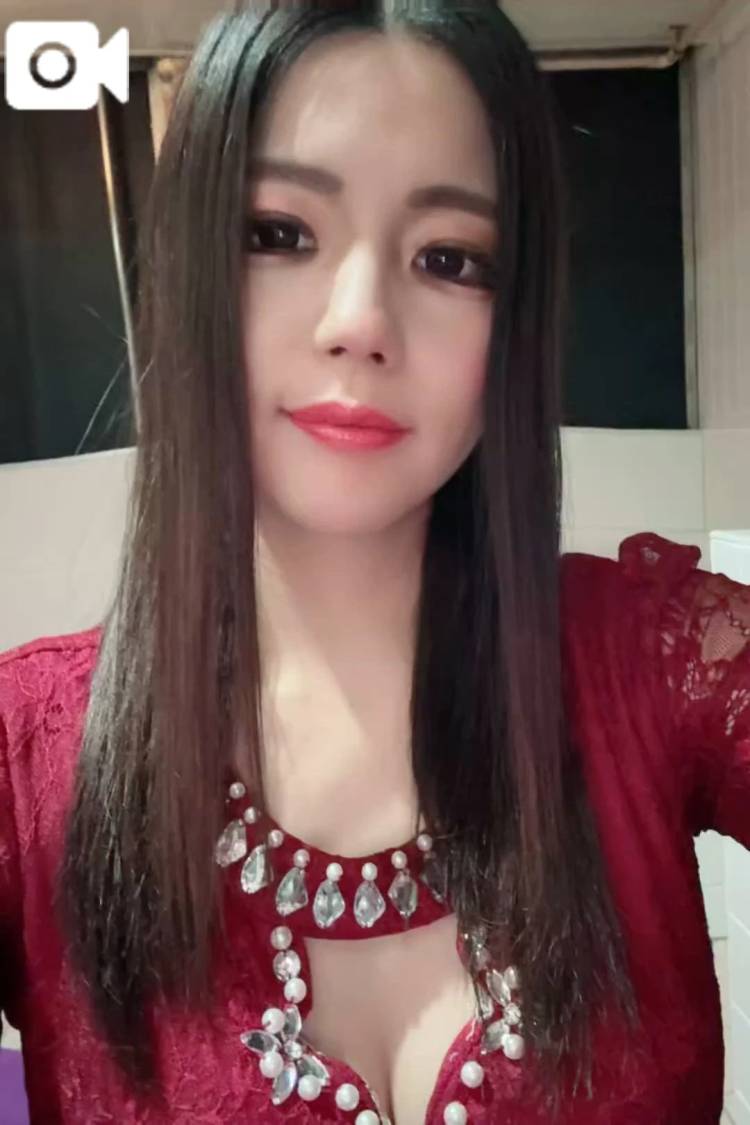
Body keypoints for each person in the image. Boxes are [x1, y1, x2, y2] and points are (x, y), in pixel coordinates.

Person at [1, 2, 748, 1122]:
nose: (360, 320)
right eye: (277, 233)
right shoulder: (25, 761)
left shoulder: (656, 662)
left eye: (449, 258)